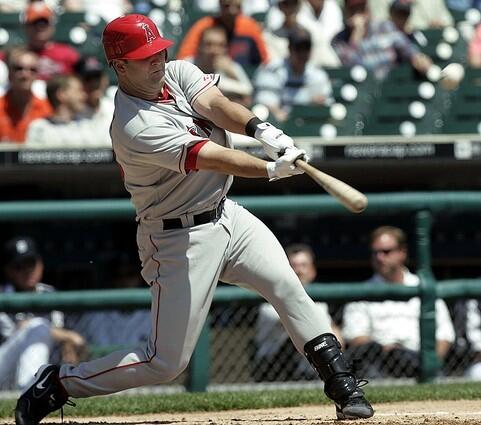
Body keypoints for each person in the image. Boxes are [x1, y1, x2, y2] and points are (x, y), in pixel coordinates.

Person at [15, 14, 374, 424]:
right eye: (145, 56)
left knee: (288, 287)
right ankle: (59, 382)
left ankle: (343, 386)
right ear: (119, 66)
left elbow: (217, 107)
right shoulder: (135, 125)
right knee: (165, 362)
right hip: (177, 238)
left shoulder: (177, 71)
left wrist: (262, 128)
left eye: (159, 51)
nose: (157, 60)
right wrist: (269, 169)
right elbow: (210, 155)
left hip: (228, 217)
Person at [342, 226, 455, 378]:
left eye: (386, 252)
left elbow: (445, 335)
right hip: (379, 363)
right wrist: (387, 352)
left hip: (418, 358)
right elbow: (356, 337)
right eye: (375, 252)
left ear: (402, 252)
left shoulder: (422, 286)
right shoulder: (362, 291)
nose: (379, 258)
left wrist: (430, 362)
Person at [0, 236, 86, 390]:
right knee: (36, 327)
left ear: (40, 264)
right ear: (8, 270)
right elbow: (13, 334)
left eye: (30, 264)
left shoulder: (50, 294)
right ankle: (31, 390)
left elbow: (71, 337)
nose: (27, 271)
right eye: (19, 266)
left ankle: (34, 389)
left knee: (42, 331)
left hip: (44, 365)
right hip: (4, 368)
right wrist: (66, 335)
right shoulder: (3, 296)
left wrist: (67, 341)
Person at [254, 244, 343, 381]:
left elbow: (334, 333)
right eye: (293, 266)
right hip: (274, 368)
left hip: (310, 370)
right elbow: (297, 324)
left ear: (312, 270)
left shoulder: (319, 303)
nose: (299, 271)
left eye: (303, 265)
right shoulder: (270, 299)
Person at [332, 0, 433, 80]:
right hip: (365, 94)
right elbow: (353, 67)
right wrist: (356, 36)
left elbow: (404, 45)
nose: (358, 14)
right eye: (353, 10)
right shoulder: (339, 40)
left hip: (392, 85)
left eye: (361, 8)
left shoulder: (383, 26)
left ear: (368, 10)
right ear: (345, 12)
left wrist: (416, 57)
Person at [254, 27, 334, 122]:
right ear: (290, 49)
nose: (303, 53)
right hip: (280, 127)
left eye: (306, 48)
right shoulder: (273, 70)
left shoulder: (317, 74)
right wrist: (276, 111)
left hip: (310, 125)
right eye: (298, 48)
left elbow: (327, 103)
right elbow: (265, 101)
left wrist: (319, 104)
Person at [177, 0, 269, 68]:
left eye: (237, 7)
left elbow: (265, 60)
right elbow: (183, 58)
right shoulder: (205, 25)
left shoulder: (249, 26)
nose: (232, 11)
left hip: (240, 81)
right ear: (219, 5)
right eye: (227, 6)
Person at [26, 74, 110, 147]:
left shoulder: (89, 126)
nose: (83, 96)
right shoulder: (39, 128)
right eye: (79, 91)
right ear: (61, 94)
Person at [188, 26, 253, 107]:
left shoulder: (231, 66)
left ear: (226, 48)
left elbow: (247, 89)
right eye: (209, 44)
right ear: (200, 46)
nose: (214, 50)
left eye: (220, 45)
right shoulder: (187, 65)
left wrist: (231, 73)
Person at [0, 47, 52, 143]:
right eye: (19, 69)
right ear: (9, 73)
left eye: (32, 70)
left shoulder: (47, 109)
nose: (26, 75)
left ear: (37, 75)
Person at [21, 1, 80, 80]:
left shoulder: (68, 54)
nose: (40, 26)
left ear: (52, 27)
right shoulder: (17, 55)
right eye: (35, 23)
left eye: (44, 22)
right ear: (26, 27)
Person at [74, 55, 115, 141]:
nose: (94, 83)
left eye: (97, 77)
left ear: (105, 79)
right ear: (77, 82)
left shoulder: (115, 108)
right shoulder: (71, 113)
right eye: (88, 79)